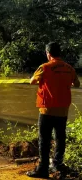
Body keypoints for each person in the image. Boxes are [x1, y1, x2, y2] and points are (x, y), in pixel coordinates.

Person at [26, 42, 80, 178]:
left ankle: (43, 169)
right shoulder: (69, 68)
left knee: (44, 139)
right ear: (59, 53)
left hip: (47, 109)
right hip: (63, 110)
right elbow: (77, 83)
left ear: (48, 54)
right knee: (60, 137)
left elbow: (32, 81)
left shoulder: (44, 67)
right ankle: (57, 163)